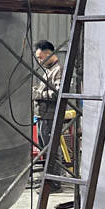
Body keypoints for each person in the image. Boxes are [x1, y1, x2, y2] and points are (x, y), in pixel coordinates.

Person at [34, 40, 64, 190]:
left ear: (49, 53)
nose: (39, 61)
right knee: (45, 150)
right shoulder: (48, 70)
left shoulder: (58, 70)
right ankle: (48, 179)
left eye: (40, 58)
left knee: (52, 150)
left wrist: (38, 94)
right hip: (43, 116)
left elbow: (58, 93)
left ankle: (55, 183)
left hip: (51, 116)